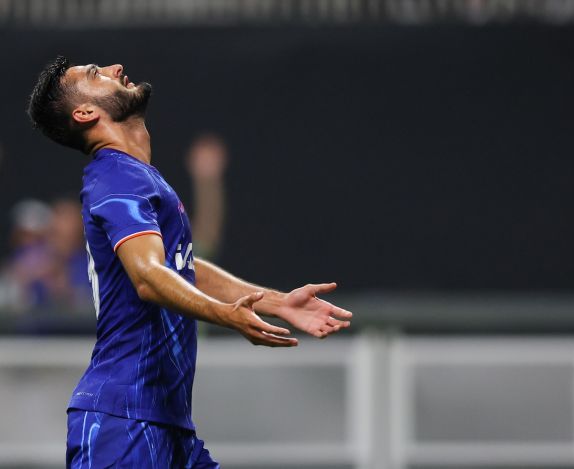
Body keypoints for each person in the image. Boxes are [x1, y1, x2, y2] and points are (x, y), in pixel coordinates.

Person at [27, 56, 352, 468]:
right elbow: (148, 278)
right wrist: (226, 316)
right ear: (86, 113)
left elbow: (182, 266)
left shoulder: (136, 175)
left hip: (166, 427)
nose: (114, 67)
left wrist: (275, 301)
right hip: (122, 424)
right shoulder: (114, 178)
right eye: (96, 75)